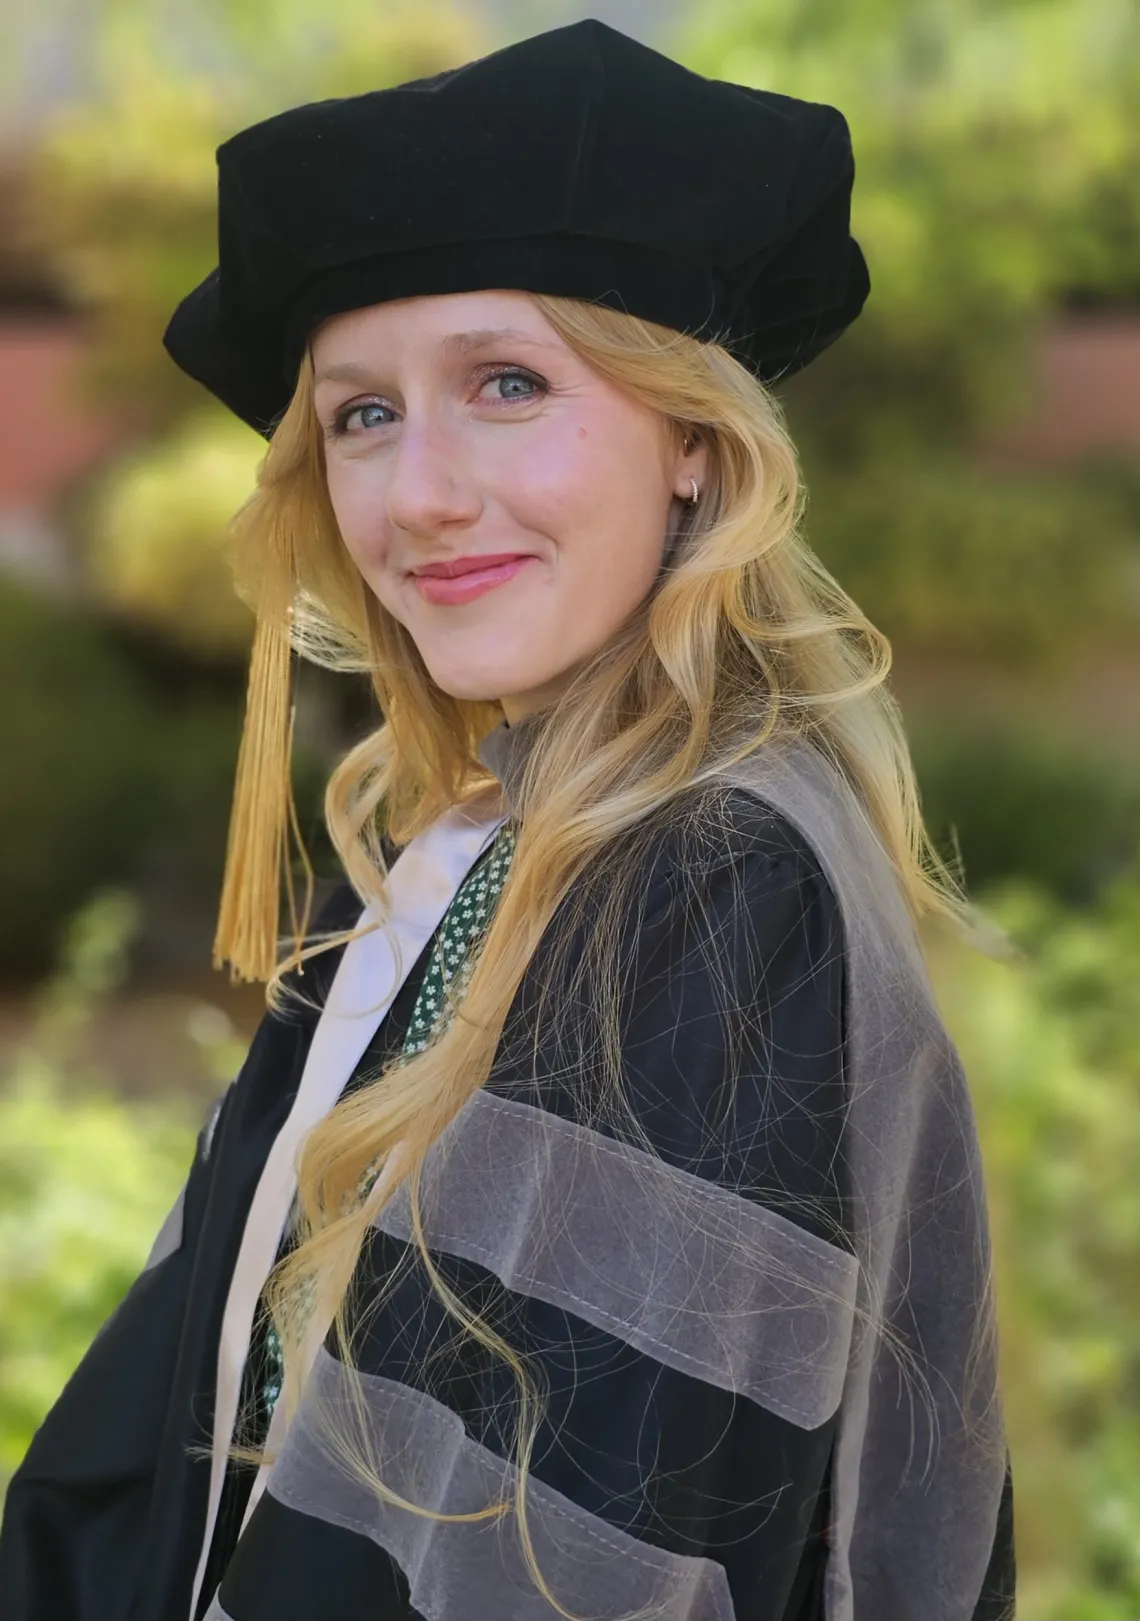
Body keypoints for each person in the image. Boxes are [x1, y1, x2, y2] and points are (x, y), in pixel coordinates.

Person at [0, 19, 1017, 1621]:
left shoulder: (717, 882)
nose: (417, 495)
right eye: (362, 415)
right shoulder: (462, 847)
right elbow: (181, 1416)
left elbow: (578, 1552)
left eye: (509, 383)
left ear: (695, 442)